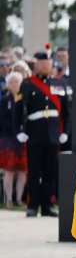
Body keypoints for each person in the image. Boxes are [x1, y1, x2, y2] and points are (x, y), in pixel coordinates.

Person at [11, 50, 69, 217]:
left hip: (53, 133)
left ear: (51, 65)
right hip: (34, 133)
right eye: (41, 63)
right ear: (36, 65)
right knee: (34, 171)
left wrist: (65, 131)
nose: (44, 66)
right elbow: (18, 110)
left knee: (50, 171)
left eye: (47, 63)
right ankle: (32, 205)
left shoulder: (59, 83)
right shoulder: (27, 84)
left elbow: (66, 111)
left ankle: (47, 206)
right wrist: (19, 131)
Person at [0, 71, 26, 207]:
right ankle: (9, 199)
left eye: (17, 81)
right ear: (8, 85)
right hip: (9, 138)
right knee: (9, 170)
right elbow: (2, 120)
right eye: (11, 82)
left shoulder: (24, 98)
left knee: (22, 171)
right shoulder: (4, 100)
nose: (14, 84)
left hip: (23, 139)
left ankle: (19, 198)